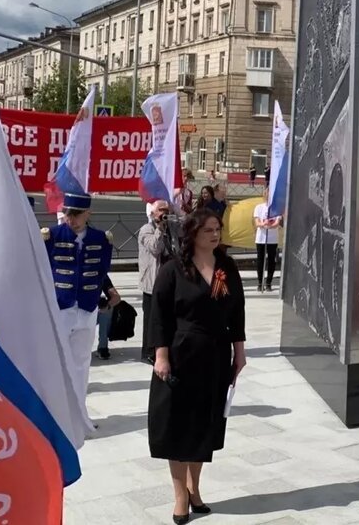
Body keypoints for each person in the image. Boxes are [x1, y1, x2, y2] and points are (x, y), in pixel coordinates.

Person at [148, 209, 247, 522]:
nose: (215, 235)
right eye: (208, 230)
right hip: (180, 356)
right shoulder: (174, 269)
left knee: (204, 425)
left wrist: (239, 352)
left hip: (215, 356)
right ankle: (180, 496)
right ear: (192, 234)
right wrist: (160, 356)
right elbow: (159, 316)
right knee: (178, 427)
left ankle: (195, 489)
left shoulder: (225, 268)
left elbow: (236, 312)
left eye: (217, 229)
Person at [41, 193, 112, 427]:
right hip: (61, 308)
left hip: (87, 308)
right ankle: (57, 416)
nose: (71, 219)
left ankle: (80, 416)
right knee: (57, 363)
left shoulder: (101, 239)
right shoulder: (51, 236)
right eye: (68, 214)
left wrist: (108, 292)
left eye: (76, 214)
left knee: (81, 363)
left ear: (87, 214)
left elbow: (101, 271)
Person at [139, 200, 182, 364]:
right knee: (151, 318)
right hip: (152, 281)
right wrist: (159, 229)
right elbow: (155, 248)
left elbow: (184, 234)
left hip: (169, 279)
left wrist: (177, 215)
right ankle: (149, 351)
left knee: (168, 315)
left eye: (166, 210)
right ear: (152, 213)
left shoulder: (171, 228)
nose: (164, 213)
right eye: (161, 211)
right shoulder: (146, 230)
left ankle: (165, 346)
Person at [253, 201, 282, 292]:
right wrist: (263, 224)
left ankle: (269, 283)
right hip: (261, 238)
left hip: (272, 239)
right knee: (260, 260)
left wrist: (270, 225)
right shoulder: (259, 207)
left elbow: (277, 222)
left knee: (271, 260)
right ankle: (260, 283)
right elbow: (257, 222)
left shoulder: (277, 208)